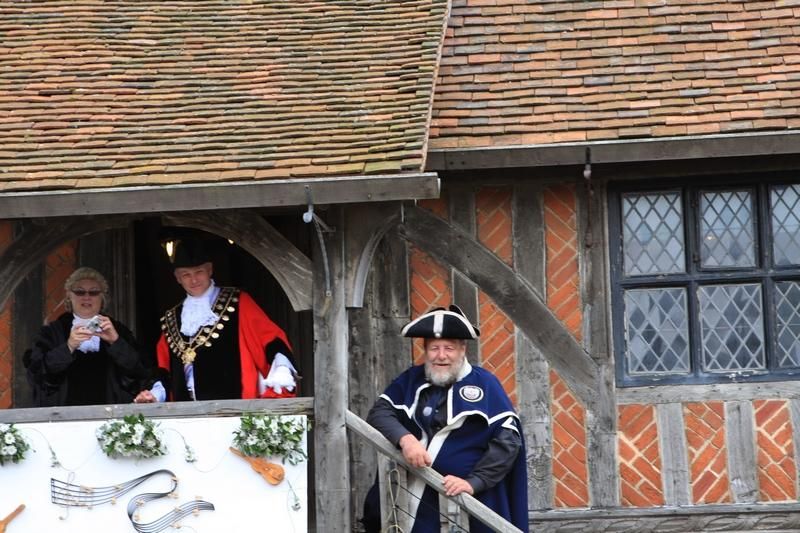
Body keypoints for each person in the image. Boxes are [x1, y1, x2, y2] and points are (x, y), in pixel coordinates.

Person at [363, 305, 528, 533]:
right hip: (413, 494)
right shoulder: (411, 378)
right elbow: (380, 412)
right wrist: (406, 439)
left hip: (473, 499)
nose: (441, 356)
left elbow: (508, 442)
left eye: (449, 348)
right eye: (434, 348)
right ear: (425, 350)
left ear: (462, 349)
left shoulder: (485, 383)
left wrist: (474, 482)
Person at [134, 238, 298, 402]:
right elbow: (165, 371)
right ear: (178, 278)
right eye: (186, 275)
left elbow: (271, 340)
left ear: (209, 270)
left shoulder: (238, 302)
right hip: (185, 415)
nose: (194, 280)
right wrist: (155, 395)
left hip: (234, 409)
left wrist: (282, 369)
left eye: (199, 272)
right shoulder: (171, 320)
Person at [23, 267, 152, 407]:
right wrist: (69, 346)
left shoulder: (119, 331)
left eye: (94, 292)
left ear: (102, 298)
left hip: (111, 413)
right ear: (69, 296)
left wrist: (116, 342)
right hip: (62, 414)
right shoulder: (51, 332)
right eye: (79, 292)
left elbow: (140, 372)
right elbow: (38, 374)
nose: (86, 297)